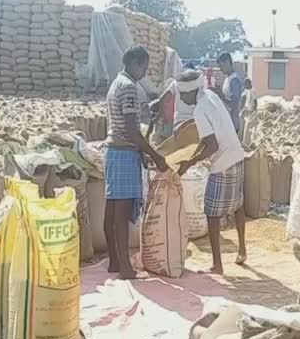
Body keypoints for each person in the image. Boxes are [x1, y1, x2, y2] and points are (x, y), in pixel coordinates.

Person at [104, 45, 168, 278]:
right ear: (136, 63)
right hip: (123, 152)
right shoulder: (129, 87)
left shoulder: (115, 84)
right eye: (144, 67)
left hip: (113, 151)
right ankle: (125, 268)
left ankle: (114, 261)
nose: (144, 72)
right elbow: (131, 130)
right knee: (121, 214)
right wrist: (155, 155)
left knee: (111, 210)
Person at [175, 69, 247, 275]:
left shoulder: (199, 110)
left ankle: (217, 265)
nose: (181, 97)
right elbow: (208, 133)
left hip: (223, 161)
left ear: (190, 92)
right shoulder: (210, 96)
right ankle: (242, 250)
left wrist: (189, 163)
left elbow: (212, 146)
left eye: (182, 94)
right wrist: (185, 131)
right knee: (238, 205)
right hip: (237, 155)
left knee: (211, 212)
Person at [150, 63, 199, 134]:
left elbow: (163, 99)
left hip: (179, 123)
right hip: (195, 123)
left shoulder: (176, 83)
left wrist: (161, 115)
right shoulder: (198, 85)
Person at [215, 52, 244, 134]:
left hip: (232, 124)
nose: (220, 69)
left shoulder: (234, 80)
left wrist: (220, 94)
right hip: (226, 123)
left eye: (221, 66)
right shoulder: (228, 79)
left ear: (227, 62)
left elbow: (233, 104)